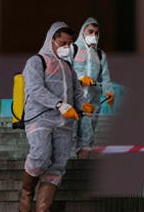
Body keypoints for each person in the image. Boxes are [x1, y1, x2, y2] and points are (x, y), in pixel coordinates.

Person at [18, 22, 94, 212]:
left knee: (57, 166)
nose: (66, 48)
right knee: (40, 155)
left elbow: (75, 91)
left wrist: (82, 103)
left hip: (64, 123)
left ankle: (43, 209)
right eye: (62, 43)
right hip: (40, 118)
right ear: (51, 40)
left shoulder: (68, 67)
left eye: (69, 44)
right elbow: (35, 89)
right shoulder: (36, 61)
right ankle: (26, 191)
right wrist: (59, 104)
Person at [70, 17, 115, 159]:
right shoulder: (73, 49)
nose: (93, 35)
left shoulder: (100, 55)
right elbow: (65, 71)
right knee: (69, 134)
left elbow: (105, 77)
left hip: (92, 103)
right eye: (90, 31)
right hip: (73, 100)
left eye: (96, 32)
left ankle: (82, 162)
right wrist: (80, 77)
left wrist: (109, 92)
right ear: (83, 32)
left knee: (87, 136)